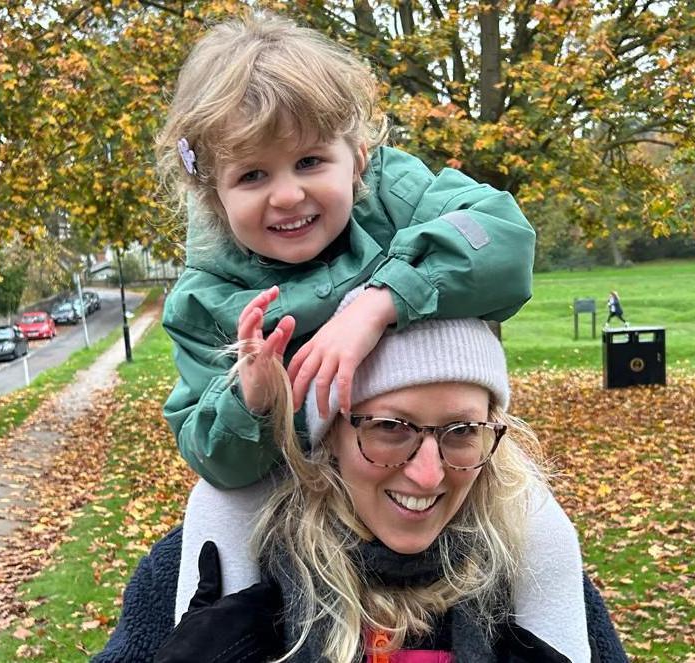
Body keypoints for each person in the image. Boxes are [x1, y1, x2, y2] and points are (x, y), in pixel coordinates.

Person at [154, 11, 581, 654]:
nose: (288, 195)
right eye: (252, 175)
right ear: (213, 195)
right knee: (219, 507)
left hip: (424, 439)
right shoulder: (209, 299)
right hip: (288, 474)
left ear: (357, 158)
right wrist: (256, 402)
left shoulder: (396, 198)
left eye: (308, 161)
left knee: (543, 529)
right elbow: (211, 450)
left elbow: (504, 241)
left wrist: (378, 301)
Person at [135, 309, 627, 662]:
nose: (428, 474)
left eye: (461, 433)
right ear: (329, 437)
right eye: (390, 428)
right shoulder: (204, 569)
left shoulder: (528, 570)